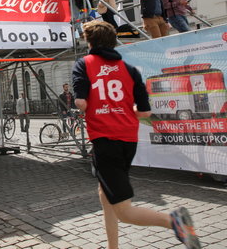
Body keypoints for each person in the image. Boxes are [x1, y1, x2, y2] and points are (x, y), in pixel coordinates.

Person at [72, 20, 201, 249]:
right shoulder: (130, 70)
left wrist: (96, 104)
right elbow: (144, 112)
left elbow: (81, 103)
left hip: (105, 139)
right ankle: (113, 246)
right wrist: (120, 107)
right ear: (112, 42)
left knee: (124, 211)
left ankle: (174, 221)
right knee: (105, 191)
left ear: (90, 42)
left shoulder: (84, 64)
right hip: (128, 141)